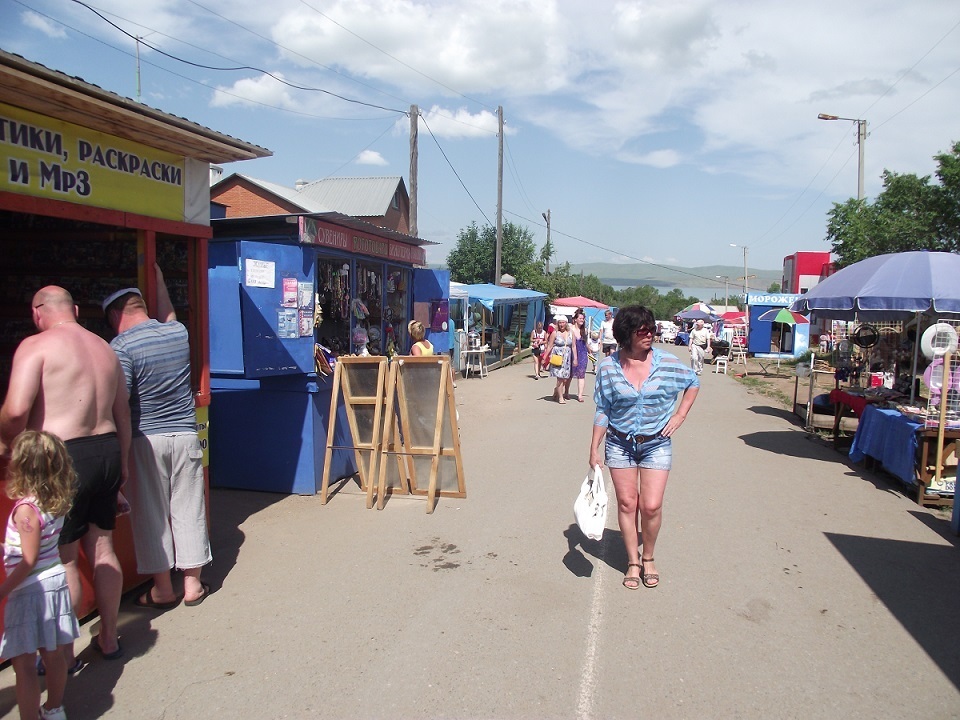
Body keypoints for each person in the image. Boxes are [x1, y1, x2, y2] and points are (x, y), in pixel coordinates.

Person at [0, 286, 129, 667]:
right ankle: (108, 637)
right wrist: (121, 466)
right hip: (105, 449)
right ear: (73, 309)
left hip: (63, 457)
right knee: (103, 547)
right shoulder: (106, 348)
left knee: (65, 560)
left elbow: (16, 409)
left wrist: (9, 446)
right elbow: (122, 412)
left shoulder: (35, 346)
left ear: (37, 312)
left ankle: (63, 655)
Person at [104, 264, 211, 610]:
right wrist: (160, 280)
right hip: (184, 433)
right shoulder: (177, 332)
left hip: (145, 438)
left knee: (151, 512)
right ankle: (192, 584)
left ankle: (163, 589)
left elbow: (120, 401)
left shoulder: (120, 346)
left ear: (117, 316)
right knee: (188, 507)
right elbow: (169, 313)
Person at [589, 305, 699, 590]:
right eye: (643, 330)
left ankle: (648, 556)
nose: (650, 334)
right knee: (628, 503)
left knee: (650, 505)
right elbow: (603, 408)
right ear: (626, 334)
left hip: (656, 444)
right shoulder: (608, 367)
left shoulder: (666, 363)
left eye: (652, 329)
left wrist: (680, 415)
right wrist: (593, 448)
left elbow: (693, 382)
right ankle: (633, 561)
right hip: (619, 443)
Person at [0, 431, 81, 720]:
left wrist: (3, 590)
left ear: (21, 465)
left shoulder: (25, 510)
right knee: (54, 655)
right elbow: (40, 545)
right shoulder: (54, 500)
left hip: (30, 590)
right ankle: (54, 708)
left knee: (23, 665)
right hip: (55, 583)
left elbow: (28, 559)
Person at [541, 315, 577, 404]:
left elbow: (573, 346)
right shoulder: (555, 333)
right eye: (560, 323)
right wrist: (544, 357)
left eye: (563, 322)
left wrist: (575, 358)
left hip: (567, 358)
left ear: (566, 323)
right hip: (558, 357)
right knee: (560, 378)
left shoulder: (571, 333)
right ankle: (561, 397)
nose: (561, 324)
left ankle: (557, 390)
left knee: (565, 378)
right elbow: (549, 346)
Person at [569, 311, 589, 402]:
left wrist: (590, 350)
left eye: (583, 318)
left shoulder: (585, 330)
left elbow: (586, 342)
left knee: (581, 374)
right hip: (571, 353)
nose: (582, 320)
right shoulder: (570, 328)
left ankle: (580, 395)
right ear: (575, 319)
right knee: (569, 374)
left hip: (583, 354)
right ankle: (565, 391)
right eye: (580, 318)